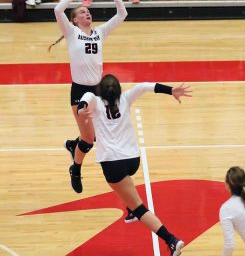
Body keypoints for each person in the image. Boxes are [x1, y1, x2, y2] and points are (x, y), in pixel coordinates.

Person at [77, 74, 191, 256]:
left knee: (139, 207)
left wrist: (82, 108)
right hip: (132, 160)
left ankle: (171, 240)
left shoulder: (95, 101)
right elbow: (146, 85)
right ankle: (130, 208)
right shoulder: (125, 98)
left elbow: (86, 98)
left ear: (100, 91)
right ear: (118, 89)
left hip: (113, 163)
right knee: (127, 190)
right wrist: (171, 91)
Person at [51, 0, 127, 194]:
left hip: (97, 91)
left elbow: (121, 15)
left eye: (88, 12)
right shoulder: (71, 33)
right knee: (89, 139)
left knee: (91, 137)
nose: (87, 14)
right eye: (82, 12)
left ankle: (72, 148)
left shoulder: (100, 32)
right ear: (74, 20)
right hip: (79, 90)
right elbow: (58, 9)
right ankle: (75, 168)